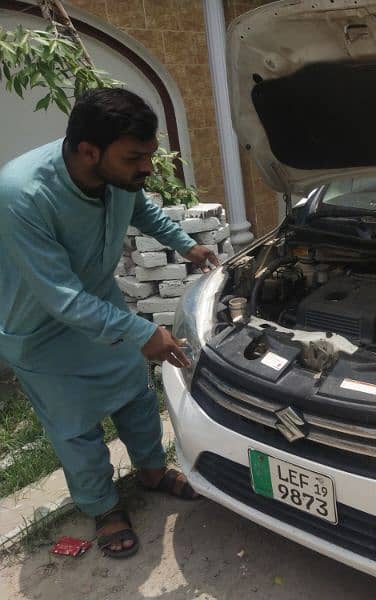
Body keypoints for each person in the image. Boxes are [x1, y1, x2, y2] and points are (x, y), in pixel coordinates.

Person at [0, 88, 219, 559]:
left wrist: (184, 243)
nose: (146, 168)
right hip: (41, 330)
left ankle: (152, 472)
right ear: (87, 151)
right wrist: (144, 332)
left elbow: (139, 206)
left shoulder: (120, 178)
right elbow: (59, 296)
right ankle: (102, 507)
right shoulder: (22, 194)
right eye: (135, 157)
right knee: (75, 427)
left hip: (101, 307)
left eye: (149, 156)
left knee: (136, 397)